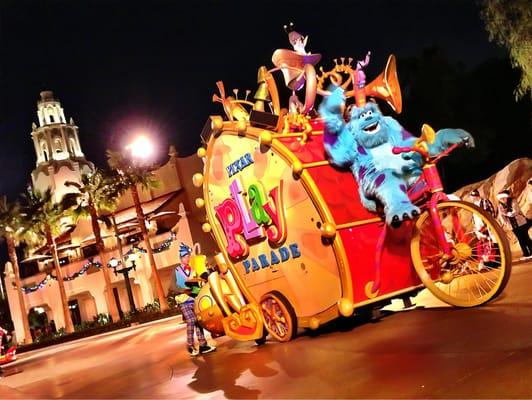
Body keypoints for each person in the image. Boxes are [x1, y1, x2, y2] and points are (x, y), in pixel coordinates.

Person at [171, 242, 216, 357]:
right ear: (181, 258)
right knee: (191, 320)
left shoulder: (193, 269)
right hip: (183, 299)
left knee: (198, 321)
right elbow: (173, 286)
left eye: (188, 256)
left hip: (194, 298)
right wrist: (184, 289)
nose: (187, 258)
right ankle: (190, 345)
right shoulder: (177, 270)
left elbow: (199, 279)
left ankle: (203, 345)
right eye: (185, 256)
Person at [497, 189, 532, 258]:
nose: (503, 200)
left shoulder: (513, 201)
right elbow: (501, 216)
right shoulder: (500, 206)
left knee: (525, 237)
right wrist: (507, 223)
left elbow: (516, 211)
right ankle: (526, 253)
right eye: (501, 199)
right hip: (512, 225)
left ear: (507, 197)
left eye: (504, 198)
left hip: (521, 222)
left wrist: (507, 214)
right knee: (520, 239)